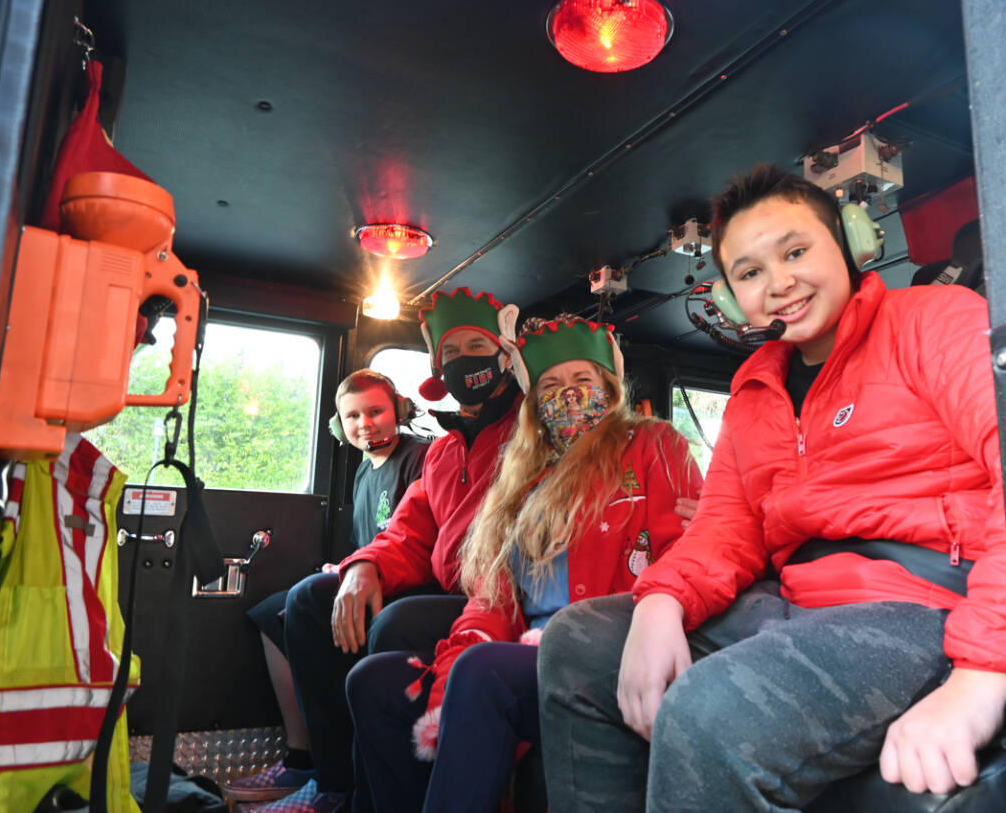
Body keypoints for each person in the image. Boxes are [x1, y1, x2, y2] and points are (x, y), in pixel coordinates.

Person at [537, 164, 1006, 812]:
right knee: (579, 642)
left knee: (708, 713)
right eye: (751, 272)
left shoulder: (935, 320)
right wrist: (660, 604)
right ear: (734, 293)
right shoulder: (753, 393)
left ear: (844, 245)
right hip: (795, 609)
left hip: (922, 607)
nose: (780, 283)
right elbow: (722, 532)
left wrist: (984, 672)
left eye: (796, 252)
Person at [347, 314, 703, 813]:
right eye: (552, 385)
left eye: (584, 380)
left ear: (610, 386)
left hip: (609, 647)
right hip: (524, 650)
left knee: (484, 673)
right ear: (535, 404)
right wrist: (463, 647)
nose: (569, 394)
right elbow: (492, 596)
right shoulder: (524, 476)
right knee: (373, 680)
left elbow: (683, 555)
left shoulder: (652, 446)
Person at [248, 287, 523, 813]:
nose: (466, 361)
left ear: (505, 357)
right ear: (438, 368)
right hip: (450, 589)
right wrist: (365, 565)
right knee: (309, 599)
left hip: (498, 595)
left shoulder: (528, 434)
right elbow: (409, 531)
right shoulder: (445, 451)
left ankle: (375, 795)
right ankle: (334, 784)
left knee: (392, 625)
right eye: (451, 352)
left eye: (477, 346)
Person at [224, 370, 431, 805]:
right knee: (270, 615)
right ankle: (303, 758)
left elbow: (414, 542)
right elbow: (367, 543)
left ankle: (333, 780)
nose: (365, 424)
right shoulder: (362, 473)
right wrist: (345, 566)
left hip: (409, 588)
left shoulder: (420, 459)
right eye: (352, 416)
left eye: (376, 411)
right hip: (370, 578)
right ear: (340, 425)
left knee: (306, 603)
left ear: (399, 411)